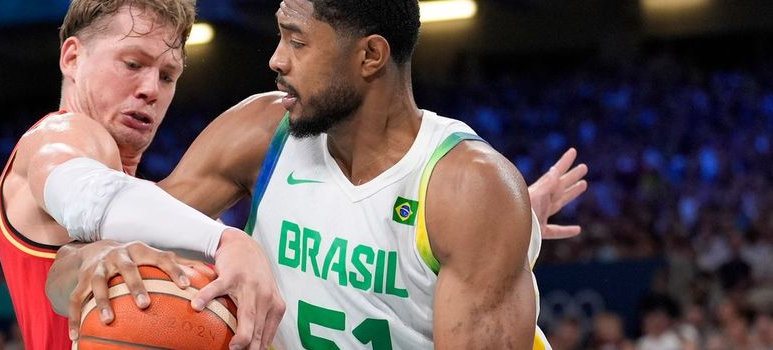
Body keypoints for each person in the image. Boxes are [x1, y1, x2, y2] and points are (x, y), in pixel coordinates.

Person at [47, 0, 589, 348]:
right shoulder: (263, 133)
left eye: (297, 40)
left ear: (371, 56)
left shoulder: (467, 189)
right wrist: (105, 259)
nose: (276, 59)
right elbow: (63, 271)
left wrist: (512, 223)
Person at [0, 1, 284, 349]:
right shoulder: (57, 135)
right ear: (72, 58)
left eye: (167, 76)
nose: (151, 90)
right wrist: (226, 241)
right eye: (133, 64)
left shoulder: (157, 209)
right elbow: (87, 199)